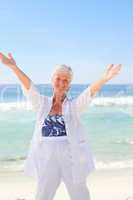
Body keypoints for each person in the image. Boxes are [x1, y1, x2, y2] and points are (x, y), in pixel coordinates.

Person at [0, 52, 122, 200]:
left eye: (66, 80)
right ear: (52, 80)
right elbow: (29, 87)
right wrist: (14, 67)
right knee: (42, 195)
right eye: (58, 78)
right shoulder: (42, 104)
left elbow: (89, 92)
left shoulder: (74, 106)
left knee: (80, 195)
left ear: (69, 85)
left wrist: (104, 79)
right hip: (47, 158)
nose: (62, 83)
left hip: (71, 158)